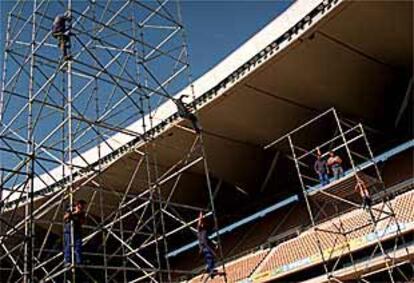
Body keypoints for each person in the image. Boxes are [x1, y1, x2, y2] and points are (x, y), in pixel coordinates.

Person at [197, 212, 223, 280]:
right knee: (210, 256)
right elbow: (199, 223)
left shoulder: (205, 231)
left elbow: (210, 235)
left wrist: (215, 246)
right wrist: (200, 217)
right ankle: (210, 270)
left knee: (211, 258)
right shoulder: (200, 230)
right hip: (204, 247)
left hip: (206, 247)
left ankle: (210, 270)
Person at [64, 200, 86, 265]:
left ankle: (79, 261)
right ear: (77, 205)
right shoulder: (70, 209)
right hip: (69, 230)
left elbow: (83, 222)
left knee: (78, 246)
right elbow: (65, 217)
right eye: (81, 205)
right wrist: (75, 213)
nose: (82, 207)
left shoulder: (82, 213)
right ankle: (67, 260)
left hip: (77, 230)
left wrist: (80, 215)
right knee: (69, 244)